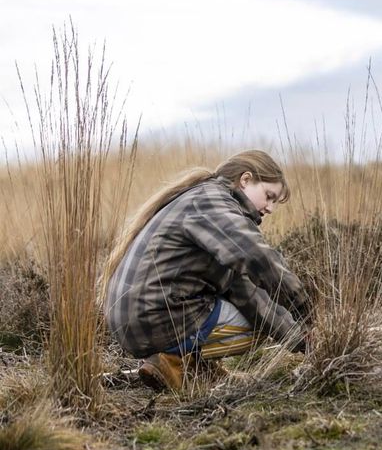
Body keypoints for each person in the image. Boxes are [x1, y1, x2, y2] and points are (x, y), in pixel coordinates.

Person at [104, 150, 310, 392]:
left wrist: (301, 339)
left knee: (264, 314)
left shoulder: (203, 199)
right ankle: (174, 360)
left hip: (132, 322)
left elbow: (244, 289)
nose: (270, 208)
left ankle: (190, 367)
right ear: (245, 180)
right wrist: (307, 314)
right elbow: (258, 258)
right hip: (154, 319)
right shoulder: (214, 204)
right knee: (259, 327)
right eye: (269, 196)